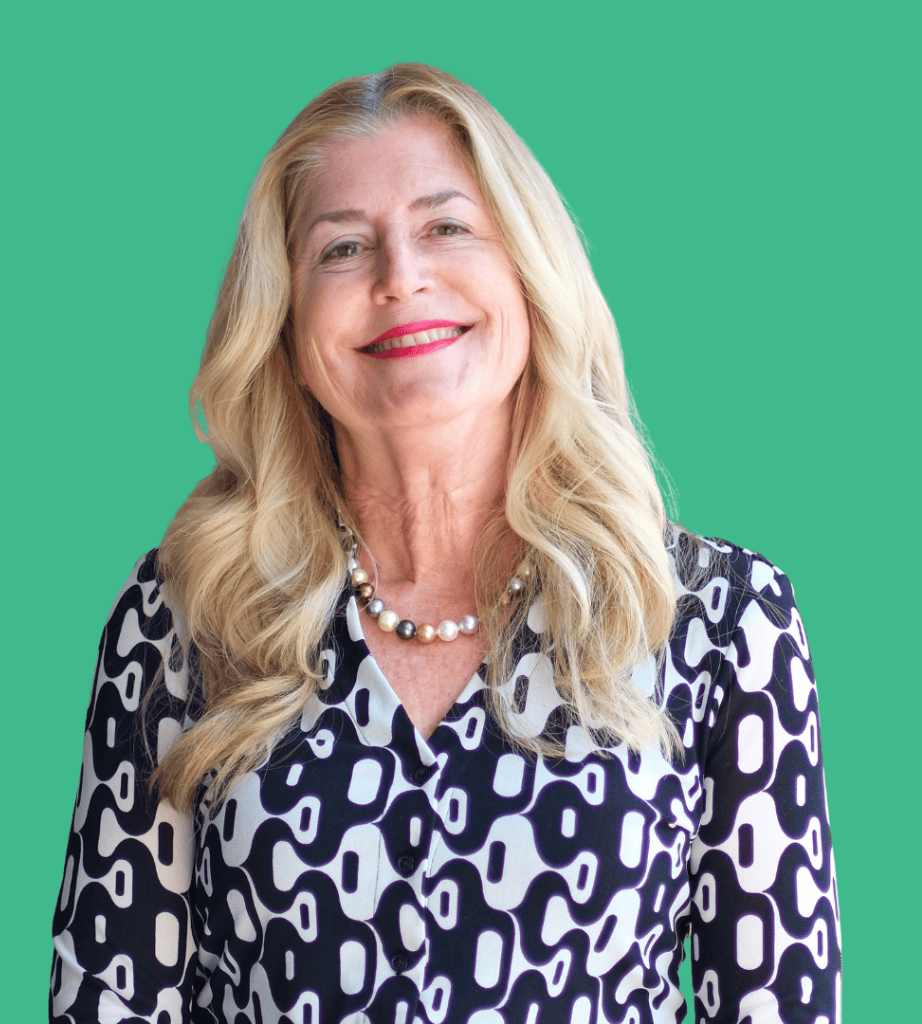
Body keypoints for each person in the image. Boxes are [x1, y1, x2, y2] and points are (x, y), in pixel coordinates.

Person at [50, 64, 840, 1024]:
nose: (400, 276)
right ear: (288, 326)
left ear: (530, 276)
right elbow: (109, 1004)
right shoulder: (182, 620)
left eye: (447, 227)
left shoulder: (720, 622)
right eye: (342, 248)